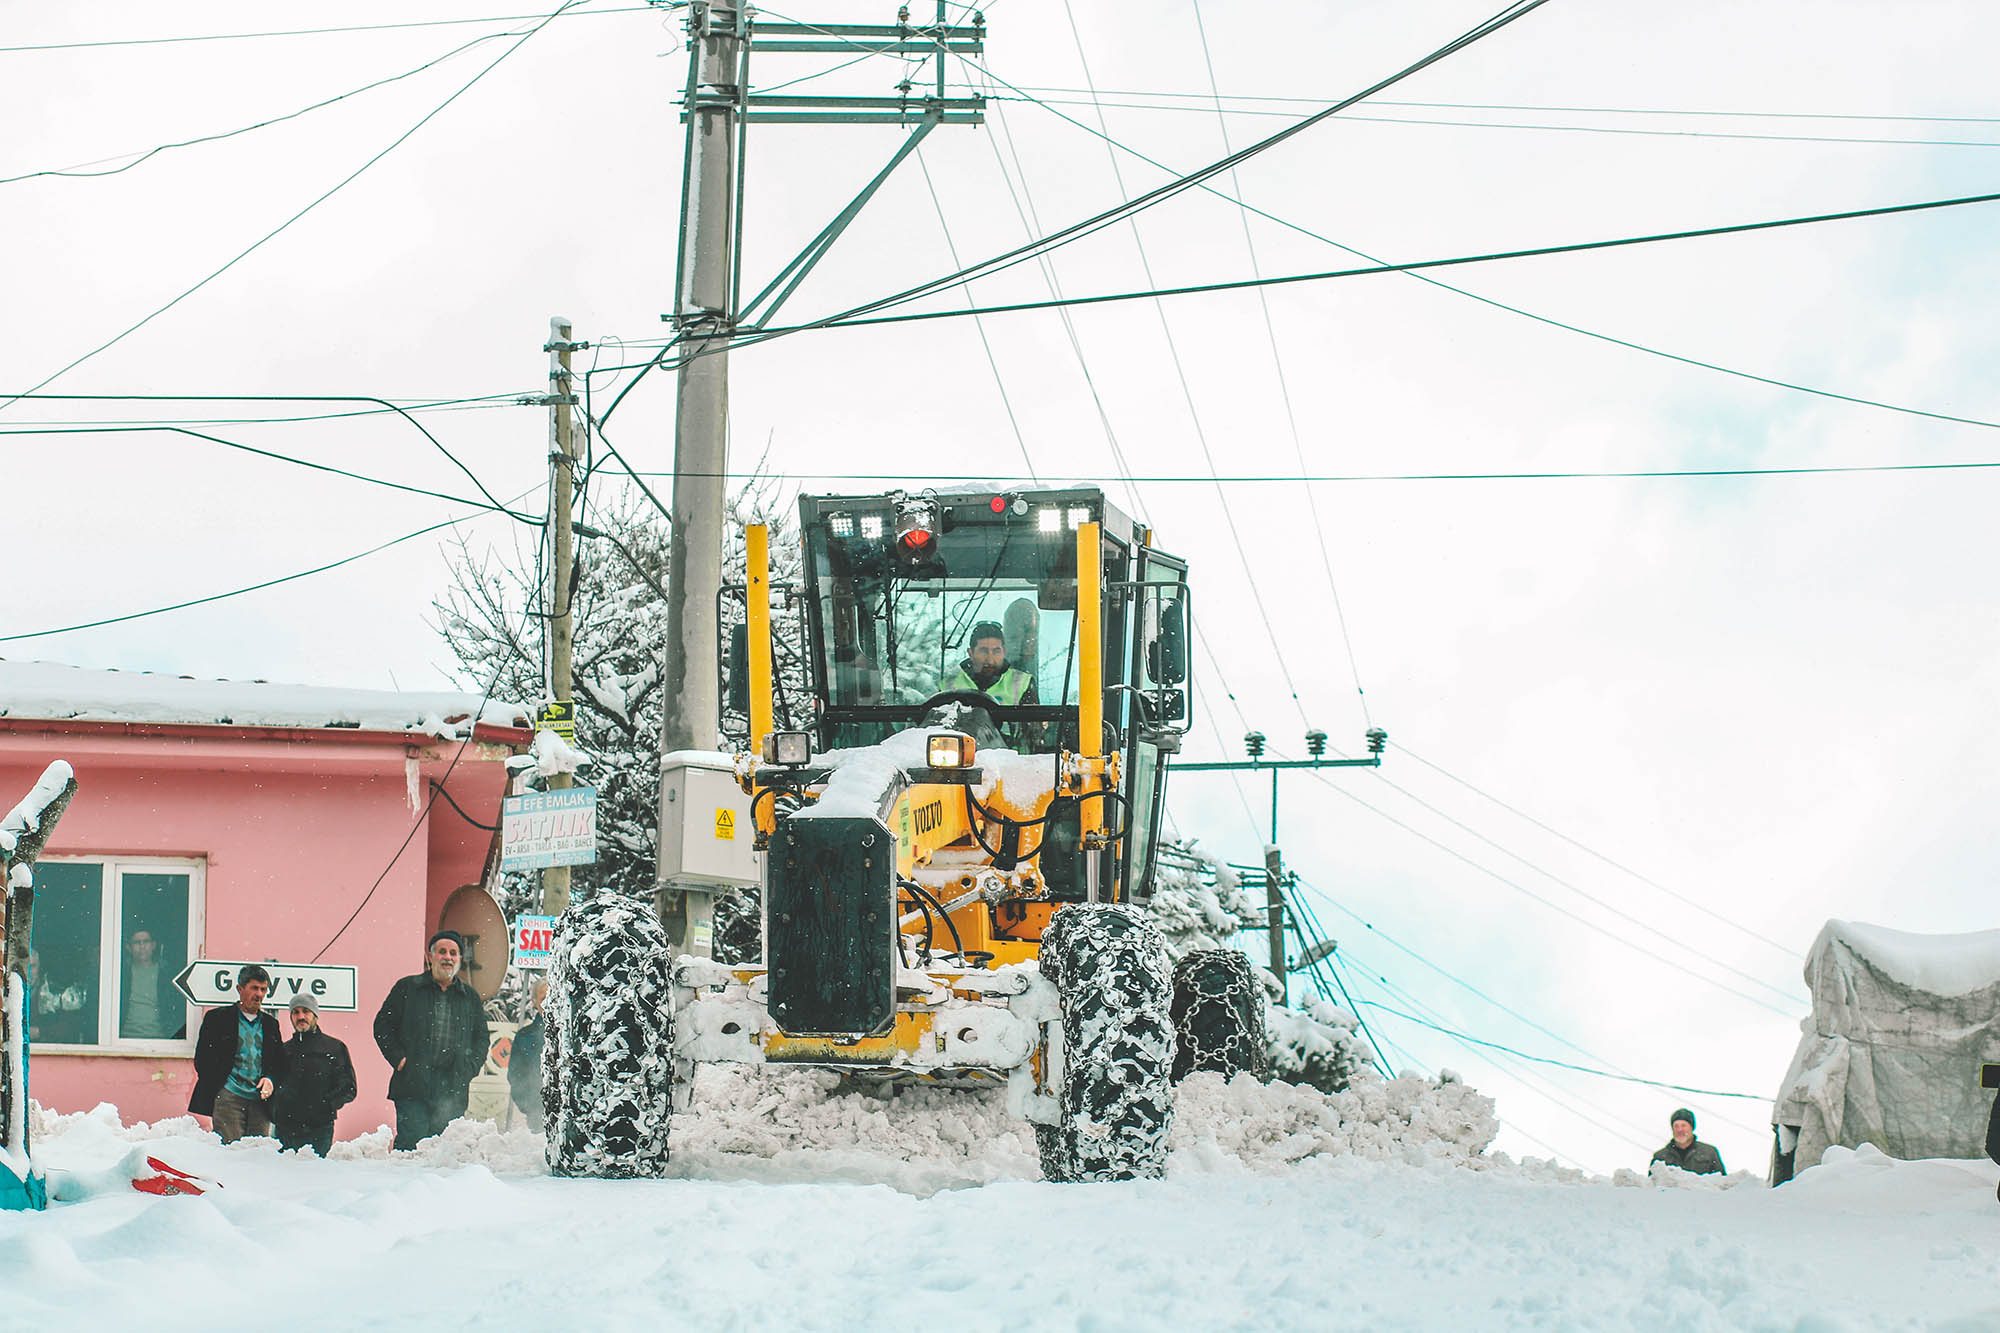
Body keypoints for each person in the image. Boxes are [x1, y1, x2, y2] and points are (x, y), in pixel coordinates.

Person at [373, 930, 490, 1150]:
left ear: (459, 959)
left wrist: (469, 1068)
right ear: (431, 956)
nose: (448, 957)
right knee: (411, 1148)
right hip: (412, 1086)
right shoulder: (408, 988)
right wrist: (400, 1060)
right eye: (442, 951)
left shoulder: (470, 998)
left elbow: (481, 1039)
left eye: (453, 953)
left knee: (444, 1153)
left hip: (453, 1089)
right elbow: (382, 1026)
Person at [189, 964, 290, 1144]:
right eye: (254, 988)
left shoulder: (270, 1024)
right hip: (228, 1097)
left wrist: (270, 1080)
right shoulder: (218, 1018)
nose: (259, 994)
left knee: (258, 1154)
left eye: (263, 989)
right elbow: (203, 1060)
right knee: (230, 1152)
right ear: (240, 989)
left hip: (260, 1100)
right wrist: (221, 1086)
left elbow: (280, 1064)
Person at [270, 992, 357, 1157]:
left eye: (306, 1011)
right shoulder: (283, 1050)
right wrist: (276, 1111)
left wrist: (326, 1105)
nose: (301, 1016)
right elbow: (272, 1085)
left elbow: (348, 1087)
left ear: (315, 1015)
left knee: (317, 1177)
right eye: (296, 1012)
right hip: (286, 1130)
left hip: (319, 1129)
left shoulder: (334, 1048)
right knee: (284, 1177)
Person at [941, 621, 1037, 705]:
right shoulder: (948, 685)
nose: (990, 660)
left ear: (1004, 652)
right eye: (983, 651)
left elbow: (1032, 724)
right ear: (971, 653)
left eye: (996, 651)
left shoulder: (1022, 683)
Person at [120, 927, 185, 1039]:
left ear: (153, 945)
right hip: (124, 1037)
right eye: (137, 942)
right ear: (128, 947)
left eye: (146, 942)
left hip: (159, 1038)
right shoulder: (121, 973)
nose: (142, 946)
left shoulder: (166, 973)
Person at [508, 979, 548, 1134]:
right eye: (543, 998)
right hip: (536, 1113)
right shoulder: (525, 1037)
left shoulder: (569, 1036)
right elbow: (515, 1075)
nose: (549, 1002)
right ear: (535, 1002)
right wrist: (529, 1106)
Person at [1650, 1107, 1725, 1175]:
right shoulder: (1660, 1157)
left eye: (1683, 1125)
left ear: (1692, 1128)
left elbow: (1722, 1183)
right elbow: (1651, 1186)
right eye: (1676, 1126)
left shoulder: (1709, 1153)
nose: (1680, 1130)